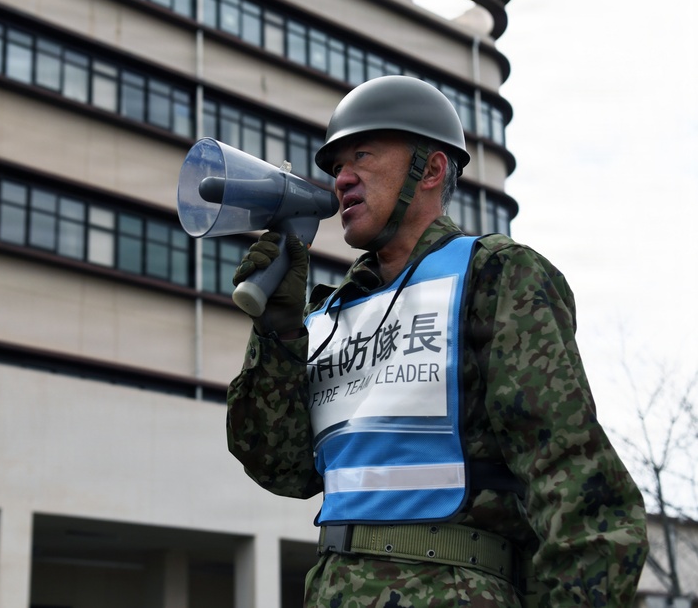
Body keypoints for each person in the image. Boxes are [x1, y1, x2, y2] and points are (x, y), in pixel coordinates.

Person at [226, 75, 649, 607]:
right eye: (336, 168)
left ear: (431, 169)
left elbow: (577, 484)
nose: (341, 179)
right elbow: (281, 467)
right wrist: (280, 334)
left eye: (361, 155)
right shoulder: (332, 313)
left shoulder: (494, 274)